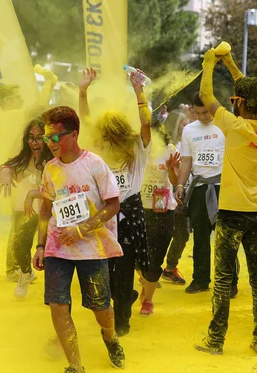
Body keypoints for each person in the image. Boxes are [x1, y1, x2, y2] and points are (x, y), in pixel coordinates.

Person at [33, 106, 125, 373]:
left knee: (101, 307)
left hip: (92, 249)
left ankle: (109, 336)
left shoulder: (95, 164)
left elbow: (113, 204)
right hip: (57, 249)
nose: (50, 143)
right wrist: (39, 245)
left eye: (55, 137)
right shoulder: (50, 169)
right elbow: (46, 211)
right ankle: (75, 366)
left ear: (73, 134)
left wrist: (82, 229)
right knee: (58, 305)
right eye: (47, 138)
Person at [194, 48, 257, 356]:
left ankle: (215, 341)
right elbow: (251, 91)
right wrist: (230, 63)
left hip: (230, 214)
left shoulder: (233, 125)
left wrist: (210, 63)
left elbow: (205, 94)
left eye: (236, 100)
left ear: (240, 103)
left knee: (223, 280)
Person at [79, 68, 157, 336]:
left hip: (130, 214)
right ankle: (123, 298)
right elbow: (85, 121)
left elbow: (146, 123)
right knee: (105, 270)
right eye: (105, 135)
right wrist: (83, 90)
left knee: (123, 268)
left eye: (114, 135)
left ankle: (123, 317)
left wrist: (139, 92)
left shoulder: (137, 149)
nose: (108, 140)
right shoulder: (97, 152)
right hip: (104, 215)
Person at [175, 92, 239, 295]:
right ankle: (200, 279)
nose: (203, 117)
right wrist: (180, 185)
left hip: (223, 187)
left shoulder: (226, 124)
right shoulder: (189, 131)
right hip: (199, 188)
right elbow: (186, 161)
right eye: (198, 113)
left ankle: (230, 282)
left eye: (206, 113)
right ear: (193, 111)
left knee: (226, 237)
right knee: (200, 237)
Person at [0, 120, 53, 298]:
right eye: (31, 138)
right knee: (19, 240)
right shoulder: (28, 158)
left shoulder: (55, 159)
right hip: (38, 211)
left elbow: (60, 192)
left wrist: (33, 194)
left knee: (54, 251)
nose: (34, 142)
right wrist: (4, 172)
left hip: (58, 213)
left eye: (39, 138)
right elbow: (8, 166)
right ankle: (25, 273)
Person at [139, 123, 182, 314]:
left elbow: (174, 180)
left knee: (156, 257)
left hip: (164, 210)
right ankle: (147, 278)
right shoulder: (138, 150)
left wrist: (172, 169)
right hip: (140, 210)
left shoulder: (169, 150)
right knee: (138, 256)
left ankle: (147, 300)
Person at [161, 110, 190, 285]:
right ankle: (161, 268)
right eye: (182, 123)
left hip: (183, 193)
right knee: (175, 233)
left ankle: (170, 267)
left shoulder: (184, 142)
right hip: (167, 195)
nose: (186, 127)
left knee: (182, 233)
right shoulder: (165, 146)